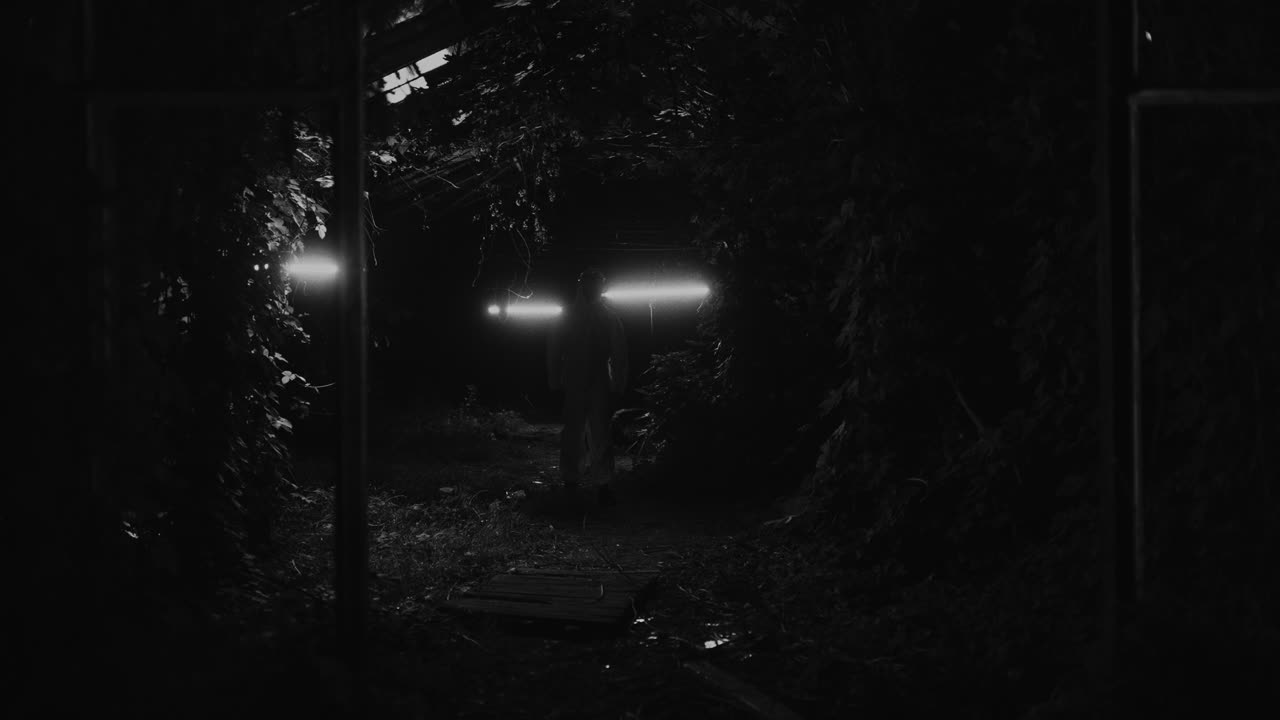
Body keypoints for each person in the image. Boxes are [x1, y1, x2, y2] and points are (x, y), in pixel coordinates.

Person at [547, 268, 628, 507]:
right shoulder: (571, 316)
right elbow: (554, 348)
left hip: (596, 380)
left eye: (596, 284)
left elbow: (619, 353)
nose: (593, 289)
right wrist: (554, 379)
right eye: (590, 284)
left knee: (599, 432)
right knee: (573, 431)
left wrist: (618, 382)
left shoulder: (606, 317)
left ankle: (600, 483)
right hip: (577, 379)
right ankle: (572, 480)